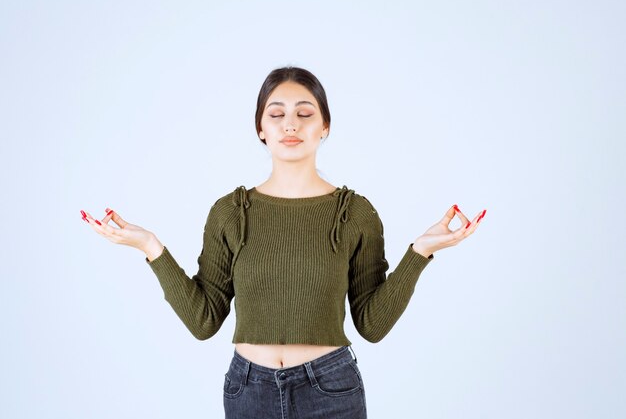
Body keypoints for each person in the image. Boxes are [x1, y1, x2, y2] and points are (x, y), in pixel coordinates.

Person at [80, 66, 486, 419]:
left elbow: (372, 324)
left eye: (305, 113)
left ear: (324, 127)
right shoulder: (230, 212)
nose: (290, 124)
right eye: (277, 114)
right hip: (248, 392)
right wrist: (150, 246)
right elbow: (204, 321)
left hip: (331, 390)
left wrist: (420, 252)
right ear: (261, 128)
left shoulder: (355, 213)